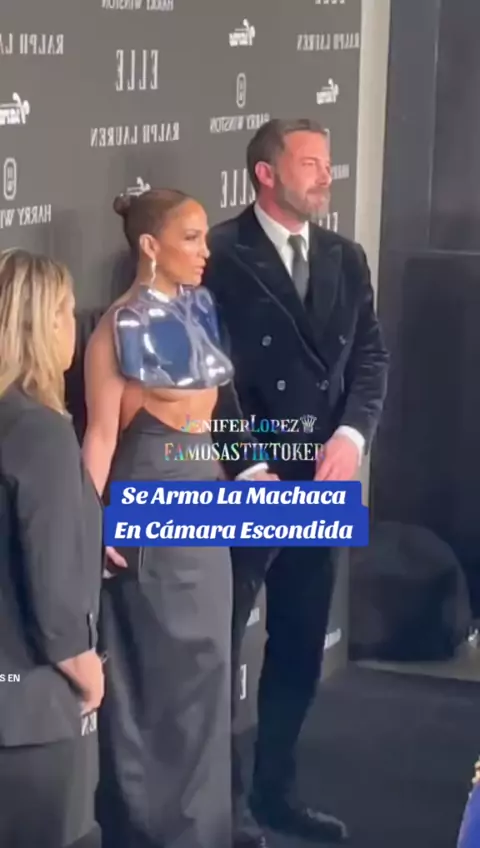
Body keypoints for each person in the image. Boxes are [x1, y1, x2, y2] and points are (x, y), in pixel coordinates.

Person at [203, 118, 390, 847]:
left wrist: (352, 436)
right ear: (266, 174)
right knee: (221, 648)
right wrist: (247, 463)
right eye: (309, 163)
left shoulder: (345, 256)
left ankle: (275, 792)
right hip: (250, 478)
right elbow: (211, 373)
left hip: (323, 475)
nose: (325, 175)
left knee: (300, 642)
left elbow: (370, 358)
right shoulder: (218, 254)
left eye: (327, 163)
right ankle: (222, 807)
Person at [81, 186, 277, 848]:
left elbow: (219, 414)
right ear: (150, 245)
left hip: (204, 506)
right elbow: (101, 439)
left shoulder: (200, 309)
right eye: (190, 238)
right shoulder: (115, 330)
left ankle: (205, 831)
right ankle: (151, 832)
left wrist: (249, 472)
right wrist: (91, 525)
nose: (204, 251)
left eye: (203, 236)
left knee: (209, 673)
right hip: (150, 512)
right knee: (159, 682)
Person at [0, 248, 104, 848]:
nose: (74, 325)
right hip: (30, 716)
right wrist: (86, 673)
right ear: (43, 324)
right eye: (66, 311)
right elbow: (54, 588)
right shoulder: (41, 432)